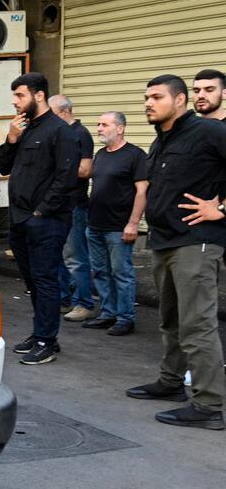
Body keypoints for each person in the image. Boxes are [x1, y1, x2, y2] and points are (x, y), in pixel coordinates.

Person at [126, 75, 226, 429]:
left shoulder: (209, 132)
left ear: (179, 100)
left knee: (197, 324)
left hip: (196, 242)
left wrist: (222, 209)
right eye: (146, 97)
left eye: (156, 97)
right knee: (169, 321)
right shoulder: (162, 141)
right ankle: (171, 383)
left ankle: (209, 406)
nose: (148, 103)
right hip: (164, 241)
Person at [0, 72, 80, 366]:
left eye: (20, 95)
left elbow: (65, 177)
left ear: (39, 95)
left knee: (45, 280)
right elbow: (2, 165)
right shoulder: (25, 129)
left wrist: (40, 212)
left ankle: (47, 341)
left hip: (46, 220)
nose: (15, 102)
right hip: (20, 219)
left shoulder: (61, 131)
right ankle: (39, 332)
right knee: (32, 279)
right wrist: (11, 138)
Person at [83, 112, 147, 337]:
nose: (99, 128)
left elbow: (142, 192)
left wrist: (133, 223)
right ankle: (108, 313)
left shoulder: (135, 155)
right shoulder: (100, 154)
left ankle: (125, 318)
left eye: (104, 124)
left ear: (120, 128)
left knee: (121, 273)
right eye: (98, 123)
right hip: (95, 225)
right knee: (101, 272)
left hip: (119, 227)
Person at [48, 95, 96, 321]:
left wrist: (57, 166)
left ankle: (84, 303)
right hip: (58, 203)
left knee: (76, 256)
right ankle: (64, 299)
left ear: (64, 112)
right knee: (58, 255)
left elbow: (85, 170)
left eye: (51, 112)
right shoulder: (60, 133)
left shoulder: (80, 134)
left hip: (74, 203)